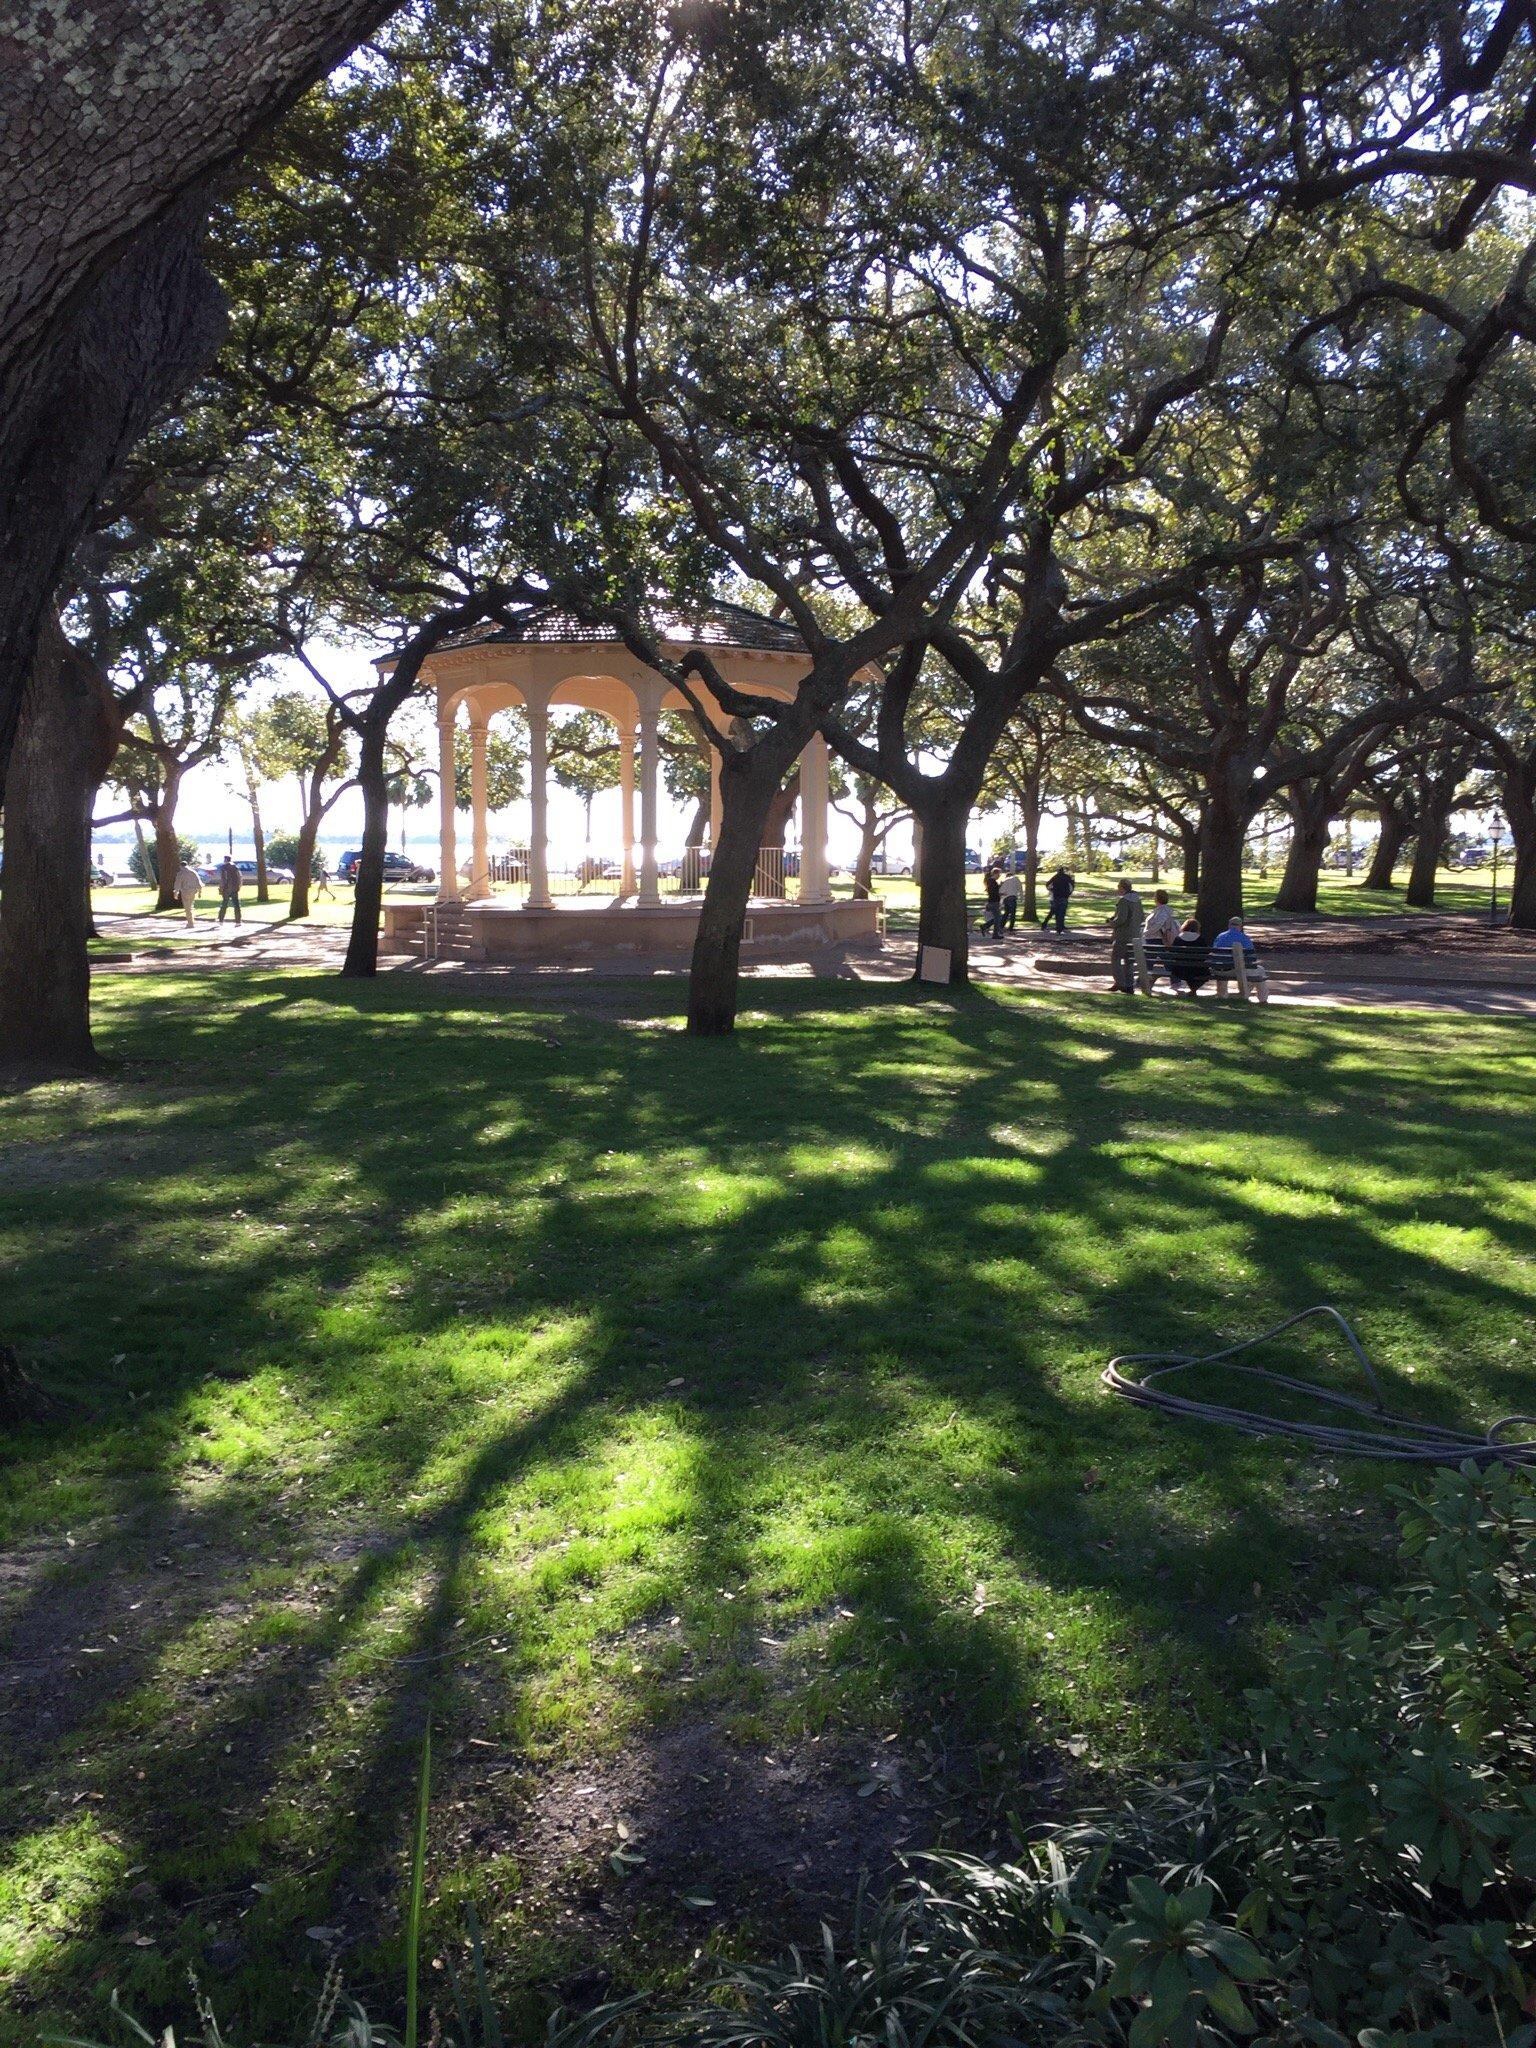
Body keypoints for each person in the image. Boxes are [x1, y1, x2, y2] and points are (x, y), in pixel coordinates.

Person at [1214, 915, 1270, 1001]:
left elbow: (1215, 952)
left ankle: (1222, 995)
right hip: (1236, 971)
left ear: (1229, 925)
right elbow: (1252, 957)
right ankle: (1263, 999)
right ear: (1240, 926)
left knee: (1224, 965)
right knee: (1260, 970)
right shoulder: (1244, 938)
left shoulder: (1220, 936)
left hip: (1219, 970)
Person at [1108, 875, 1143, 993]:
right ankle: (1129, 985)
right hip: (1135, 935)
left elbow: (1121, 919)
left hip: (1123, 935)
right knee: (1129, 961)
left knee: (1116, 958)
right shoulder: (1137, 900)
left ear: (1123, 888)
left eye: (1118, 887)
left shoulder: (1124, 901)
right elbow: (1141, 916)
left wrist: (1112, 923)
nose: (1118, 889)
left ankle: (1120, 982)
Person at [1141, 888, 1179, 987]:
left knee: (1149, 961)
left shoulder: (1162, 911)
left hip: (1157, 939)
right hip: (1155, 939)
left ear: (1157, 898)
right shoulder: (1161, 910)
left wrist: (1147, 932)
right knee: (1160, 960)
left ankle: (1142, 981)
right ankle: (1175, 981)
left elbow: (1159, 924)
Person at [1168, 916, 1208, 995]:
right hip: (1197, 969)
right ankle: (1193, 989)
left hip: (1179, 969)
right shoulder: (1200, 939)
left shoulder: (1178, 938)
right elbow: (1205, 953)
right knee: (1205, 971)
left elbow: (1173, 952)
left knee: (1188, 968)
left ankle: (1192, 990)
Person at [1042, 865, 1075, 934]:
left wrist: (1052, 890)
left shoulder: (1055, 877)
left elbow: (1047, 884)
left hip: (1056, 897)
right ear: (1063, 871)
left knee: (1056, 912)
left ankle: (1058, 927)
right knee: (1062, 913)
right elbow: (1072, 885)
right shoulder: (1067, 877)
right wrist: (1069, 893)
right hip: (1064, 897)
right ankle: (1060, 928)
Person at [173, 859, 203, 927]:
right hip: (193, 891)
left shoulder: (181, 873)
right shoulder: (193, 872)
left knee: (187, 908)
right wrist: (199, 892)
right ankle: (191, 921)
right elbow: (198, 882)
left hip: (185, 891)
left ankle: (190, 923)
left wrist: (176, 893)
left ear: (181, 866)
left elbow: (178, 884)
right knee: (191, 906)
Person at [979, 862, 1004, 937]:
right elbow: (993, 893)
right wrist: (1000, 892)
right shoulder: (992, 882)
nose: (999, 876)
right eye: (999, 874)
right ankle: (995, 934)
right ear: (995, 874)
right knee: (998, 918)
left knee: (998, 918)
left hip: (992, 901)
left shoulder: (990, 881)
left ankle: (985, 926)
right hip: (994, 902)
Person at [217, 854, 243, 925]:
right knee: (236, 905)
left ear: (225, 860)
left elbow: (223, 879)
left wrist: (221, 888)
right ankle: (238, 921)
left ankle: (221, 920)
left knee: (224, 904)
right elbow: (239, 877)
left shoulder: (223, 867)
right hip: (235, 888)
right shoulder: (235, 867)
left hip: (226, 888)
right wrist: (239, 886)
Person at [998, 864, 1022, 932]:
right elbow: (1020, 888)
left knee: (1006, 913)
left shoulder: (1005, 881)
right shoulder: (1016, 879)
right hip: (1013, 897)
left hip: (1006, 898)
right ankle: (1011, 927)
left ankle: (1001, 926)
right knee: (1013, 913)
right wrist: (1021, 898)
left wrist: (1001, 901)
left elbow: (1001, 891)